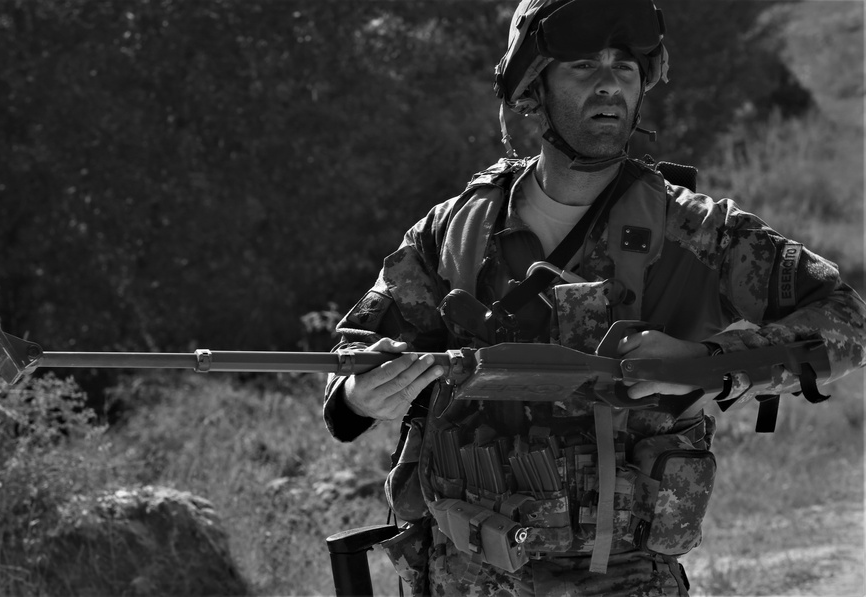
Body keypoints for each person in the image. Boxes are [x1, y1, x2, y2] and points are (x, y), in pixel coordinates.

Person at [322, 0, 866, 595]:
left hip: (619, 580)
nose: (609, 84)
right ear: (535, 85)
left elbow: (847, 322)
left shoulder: (696, 233)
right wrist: (359, 394)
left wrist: (709, 365)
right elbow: (356, 353)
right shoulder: (457, 228)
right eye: (584, 66)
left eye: (625, 69)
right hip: (459, 574)